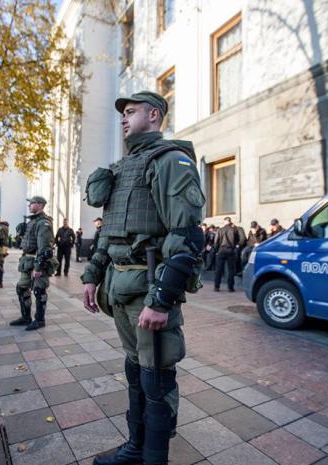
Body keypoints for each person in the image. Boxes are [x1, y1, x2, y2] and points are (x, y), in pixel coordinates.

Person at [81, 91, 205, 465]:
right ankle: (136, 448)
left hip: (148, 291)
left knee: (156, 378)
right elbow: (109, 232)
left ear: (153, 115)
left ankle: (153, 458)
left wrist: (162, 299)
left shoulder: (170, 161)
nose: (123, 118)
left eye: (130, 112)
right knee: (135, 371)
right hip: (119, 289)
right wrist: (92, 276)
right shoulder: (122, 168)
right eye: (122, 113)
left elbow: (187, 235)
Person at [13, 196, 56, 330]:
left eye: (32, 203)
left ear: (40, 205)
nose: (29, 206)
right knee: (21, 288)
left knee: (39, 290)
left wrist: (38, 267)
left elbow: (45, 248)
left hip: (38, 261)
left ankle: (39, 320)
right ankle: (26, 317)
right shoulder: (32, 222)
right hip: (28, 261)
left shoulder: (43, 223)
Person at [214, 216, 238, 292]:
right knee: (231, 270)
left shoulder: (220, 230)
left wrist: (216, 250)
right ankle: (230, 288)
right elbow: (237, 240)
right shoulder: (234, 230)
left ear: (225, 222)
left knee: (219, 269)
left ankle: (216, 286)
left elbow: (216, 242)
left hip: (221, 250)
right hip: (230, 250)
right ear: (230, 221)